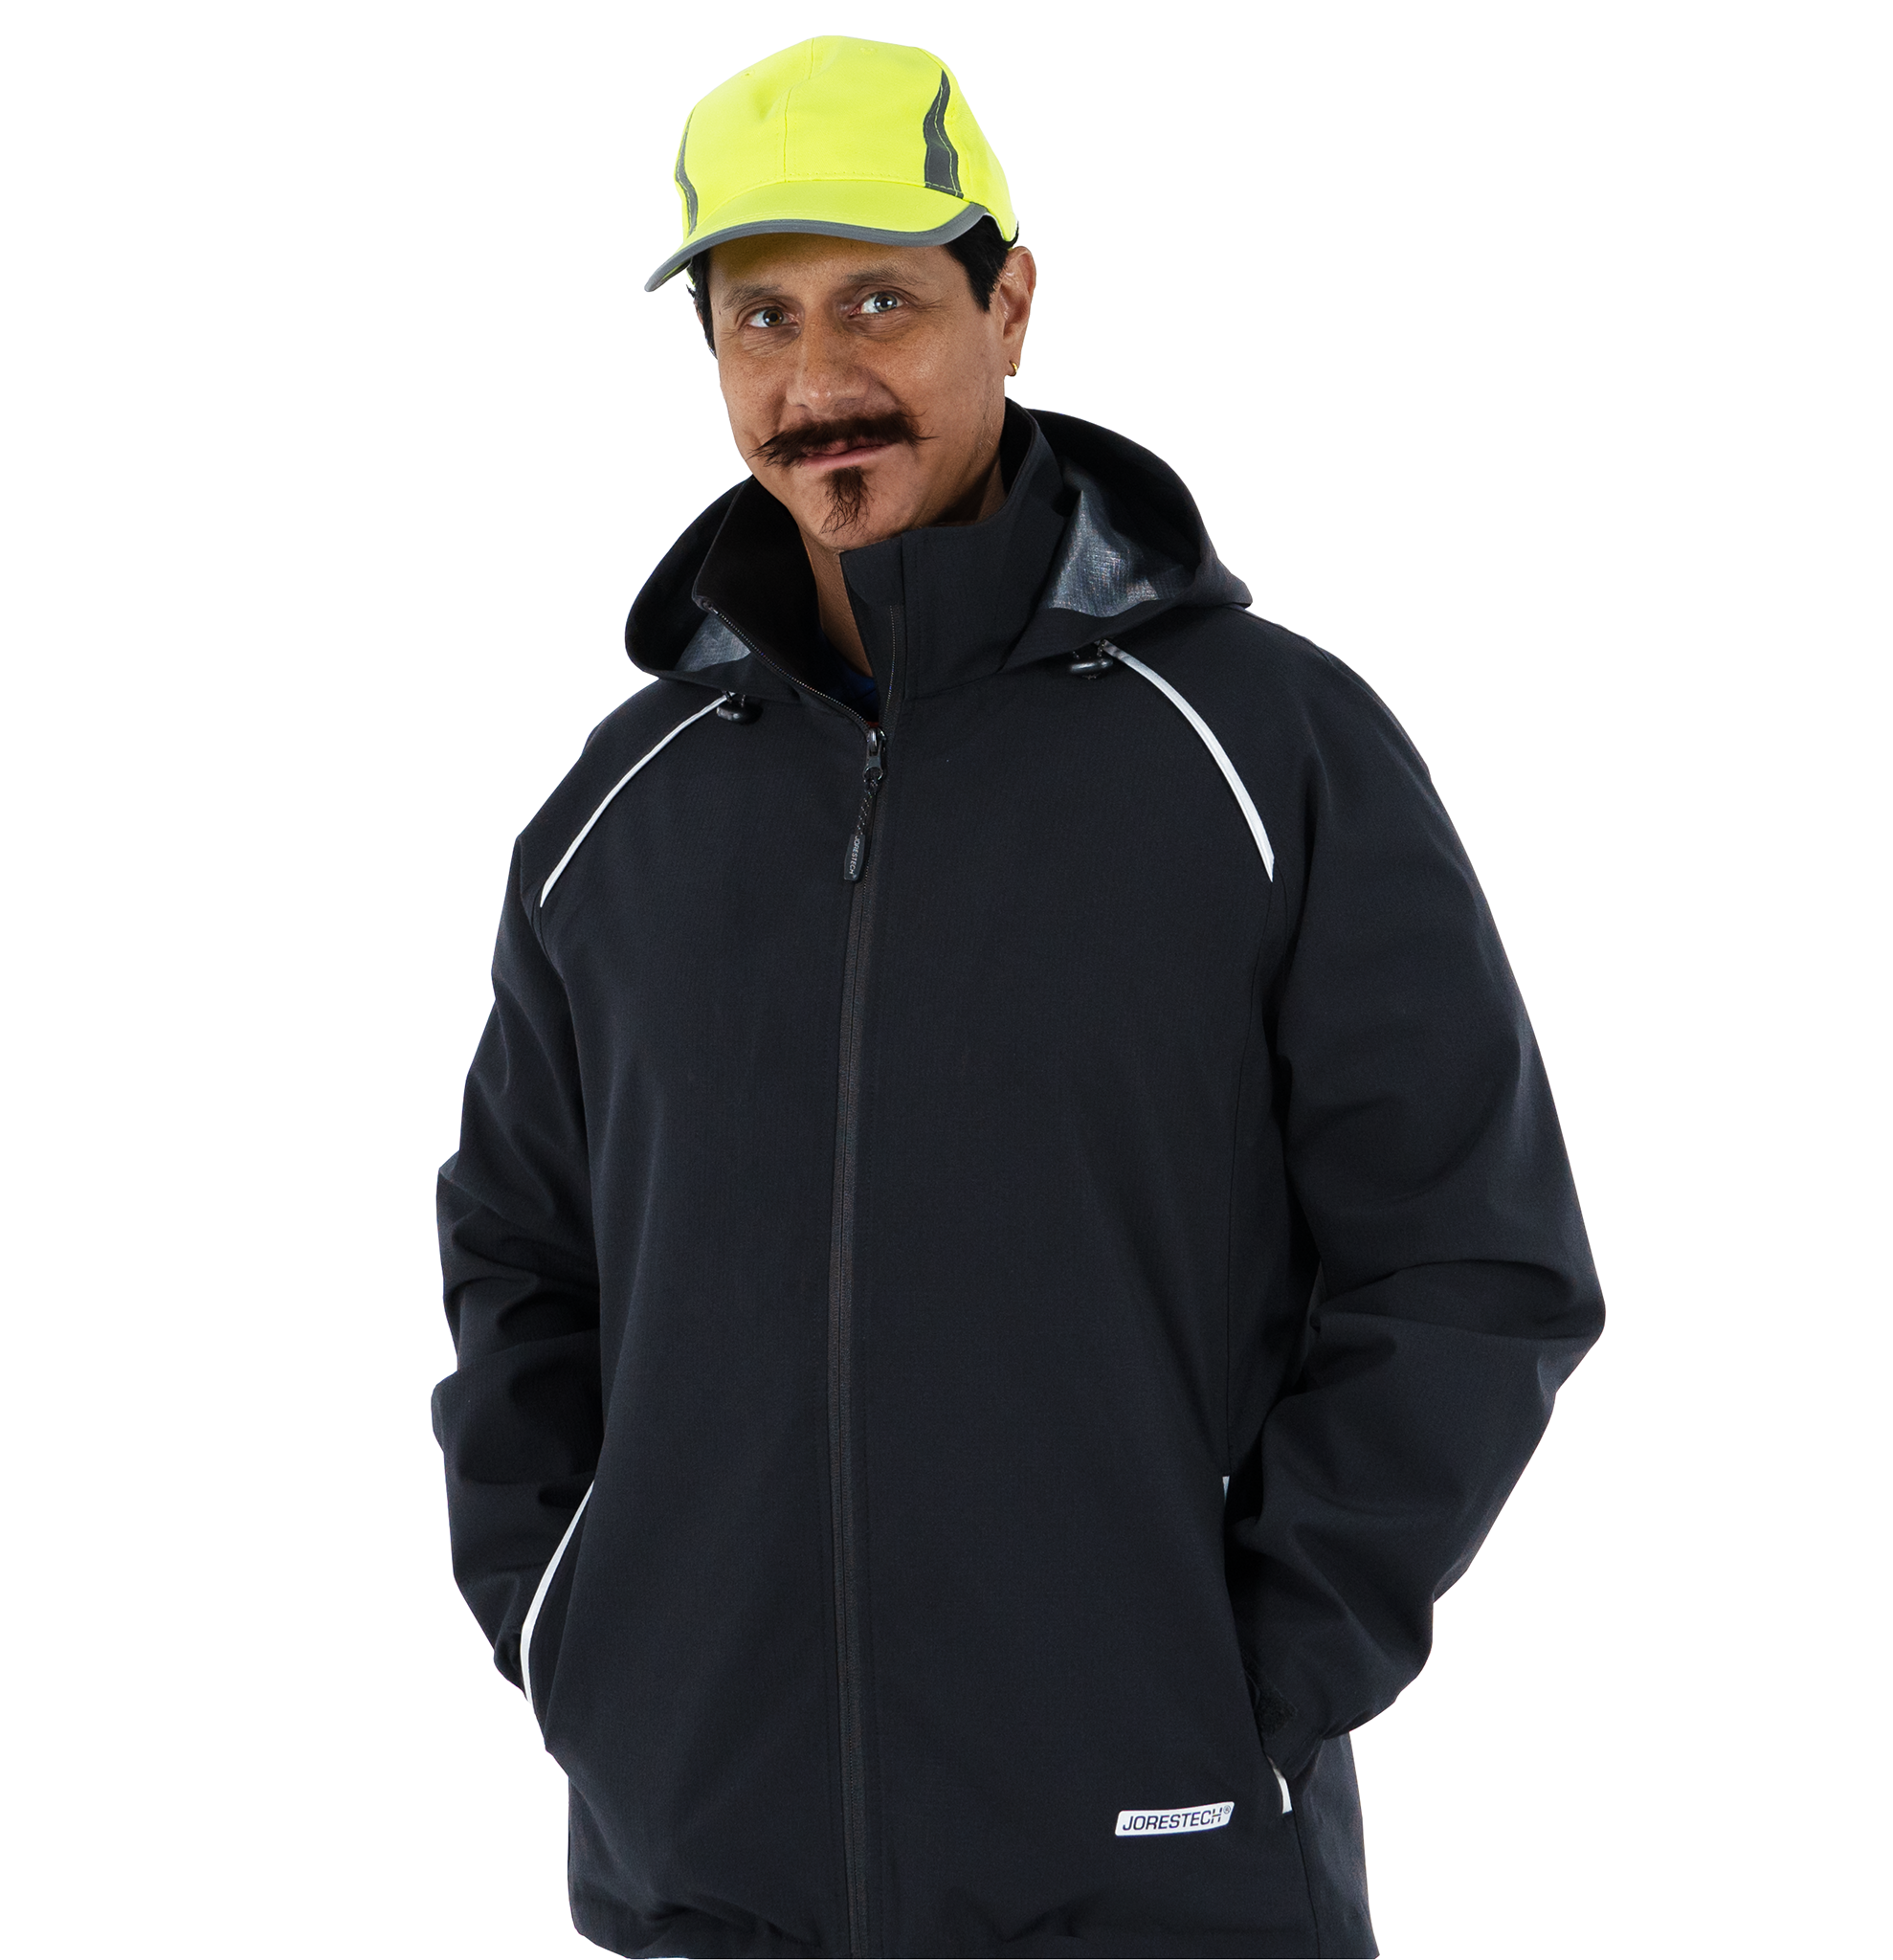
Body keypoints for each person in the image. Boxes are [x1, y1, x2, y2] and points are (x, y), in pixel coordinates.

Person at [432, 35, 1603, 1959]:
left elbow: (1471, 1259)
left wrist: (1247, 1679)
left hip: (1159, 1880)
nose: (817, 381)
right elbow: (517, 1258)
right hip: (714, 1885)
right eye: (759, 319)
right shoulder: (624, 809)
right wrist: (577, 1627)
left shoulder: (1264, 749)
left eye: (879, 302)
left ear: (1012, 302)